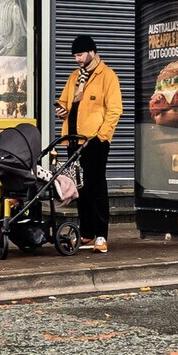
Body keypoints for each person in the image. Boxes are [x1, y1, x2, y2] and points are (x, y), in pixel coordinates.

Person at [54, 33, 123, 252]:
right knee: (79, 189)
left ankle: (101, 235)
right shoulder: (75, 77)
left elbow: (115, 110)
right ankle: (86, 234)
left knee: (97, 187)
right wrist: (61, 110)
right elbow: (64, 103)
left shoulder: (107, 76)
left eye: (80, 54)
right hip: (73, 141)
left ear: (92, 52)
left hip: (95, 142)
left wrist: (102, 136)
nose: (77, 59)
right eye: (75, 55)